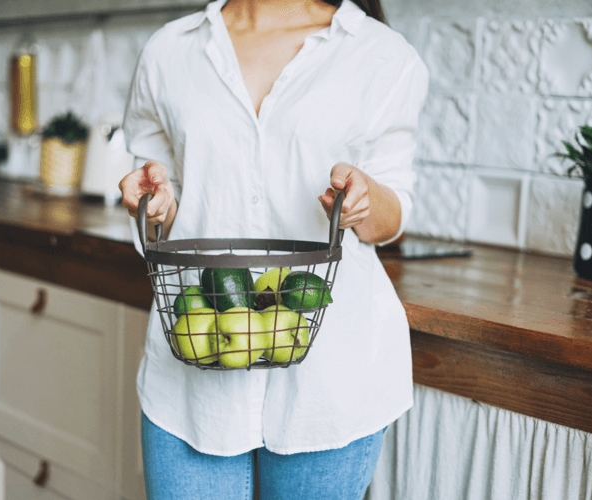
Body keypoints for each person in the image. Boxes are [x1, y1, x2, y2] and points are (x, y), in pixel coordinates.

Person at [119, 0, 428, 497]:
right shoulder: (170, 51)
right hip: (191, 376)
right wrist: (154, 202)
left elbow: (395, 208)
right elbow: (165, 194)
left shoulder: (382, 54)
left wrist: (365, 199)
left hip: (332, 381)